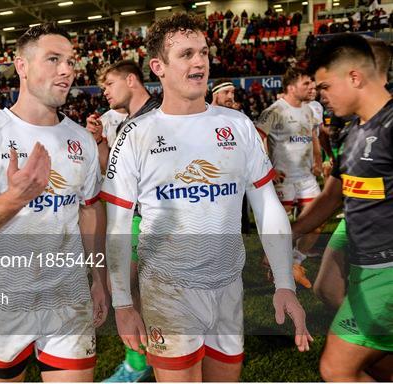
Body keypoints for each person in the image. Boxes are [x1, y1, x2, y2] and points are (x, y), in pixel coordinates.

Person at [101, 13, 312, 382]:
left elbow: (266, 205)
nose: (199, 61)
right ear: (159, 67)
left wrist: (284, 283)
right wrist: (122, 303)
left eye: (203, 52)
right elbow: (117, 225)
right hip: (168, 290)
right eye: (185, 54)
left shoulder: (239, 126)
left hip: (229, 288)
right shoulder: (135, 135)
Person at [0, 23, 109, 382]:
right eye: (54, 59)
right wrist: (16, 197)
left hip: (69, 297)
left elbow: (90, 210)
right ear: (21, 66)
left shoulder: (80, 139)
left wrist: (99, 279)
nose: (67, 70)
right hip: (7, 300)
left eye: (70, 61)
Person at [295, 33, 392, 382]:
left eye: (325, 86)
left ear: (355, 77)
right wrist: (288, 235)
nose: (321, 95)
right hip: (364, 259)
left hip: (386, 270)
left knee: (336, 367)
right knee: (329, 293)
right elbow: (333, 196)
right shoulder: (352, 132)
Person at [86, 60, 159, 383]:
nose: (105, 92)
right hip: (135, 218)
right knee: (129, 289)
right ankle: (141, 359)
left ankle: (144, 361)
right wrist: (102, 142)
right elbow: (113, 173)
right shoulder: (127, 122)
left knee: (132, 290)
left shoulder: (161, 114)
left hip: (160, 223)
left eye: (109, 84)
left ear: (131, 80)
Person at [312, 36, 392, 310]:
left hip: (379, 226)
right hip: (354, 211)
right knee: (326, 287)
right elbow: (327, 134)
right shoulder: (351, 112)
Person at [256, 67, 323, 288]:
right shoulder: (274, 111)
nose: (312, 87)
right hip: (284, 179)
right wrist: (268, 169)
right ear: (291, 87)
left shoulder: (309, 110)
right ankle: (279, 268)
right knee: (281, 228)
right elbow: (257, 139)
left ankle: (295, 261)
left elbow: (312, 135)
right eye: (307, 84)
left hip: (306, 177)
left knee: (317, 222)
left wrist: (318, 159)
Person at [212, 78, 250, 234]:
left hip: (237, 180)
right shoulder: (203, 116)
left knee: (241, 226)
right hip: (213, 182)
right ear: (215, 94)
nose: (230, 96)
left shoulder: (237, 118)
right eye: (226, 92)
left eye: (232, 92)